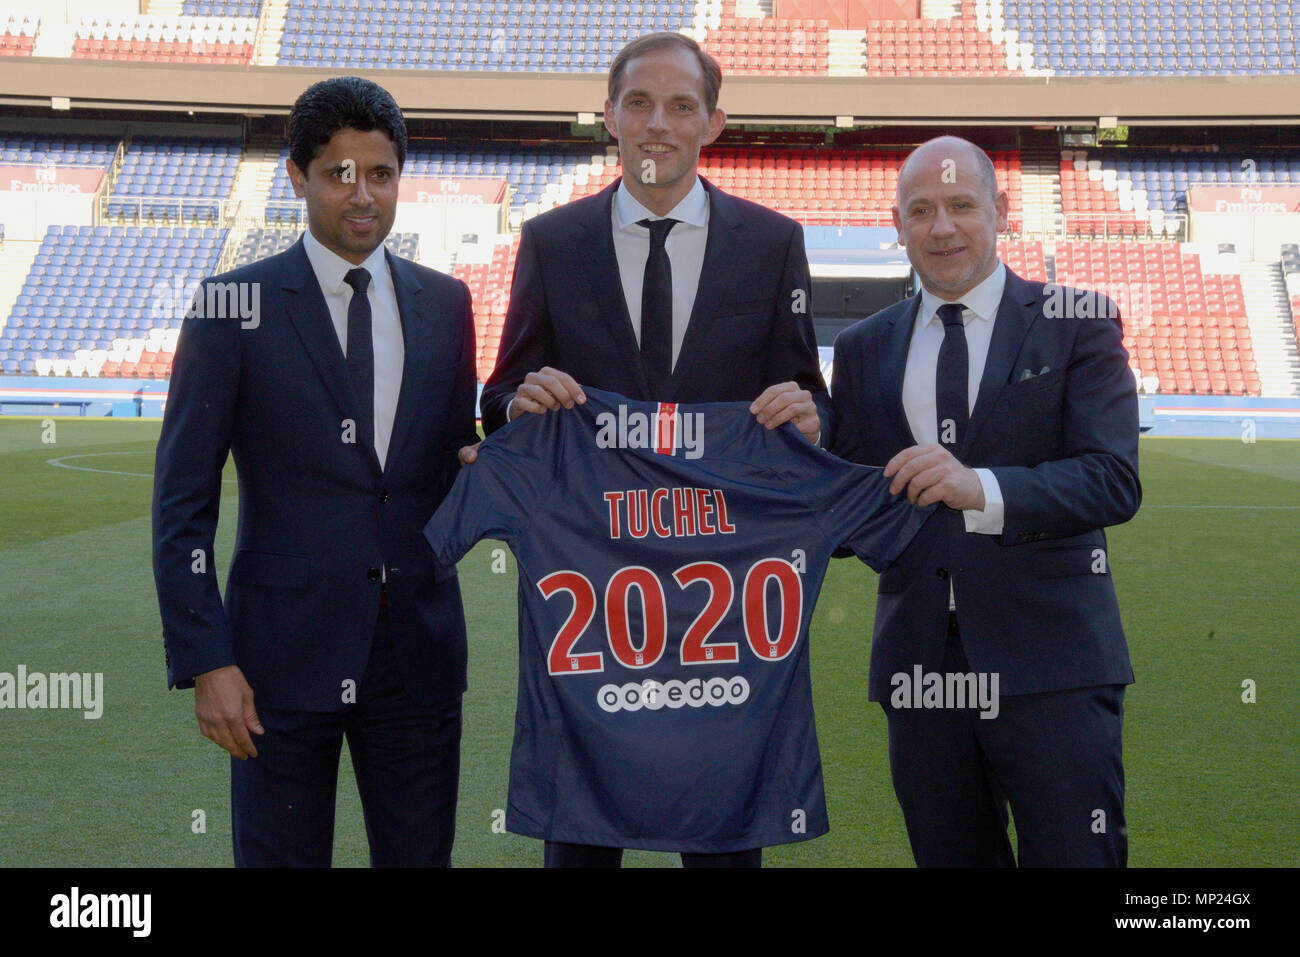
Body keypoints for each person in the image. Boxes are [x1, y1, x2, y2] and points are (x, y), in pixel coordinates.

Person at [475, 31, 829, 868]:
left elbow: (811, 402)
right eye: (638, 103)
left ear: (714, 121)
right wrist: (515, 405)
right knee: (583, 843)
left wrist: (812, 418)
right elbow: (501, 399)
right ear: (610, 117)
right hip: (592, 601)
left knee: (723, 845)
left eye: (680, 105)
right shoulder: (552, 241)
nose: (657, 124)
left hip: (727, 609)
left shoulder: (773, 242)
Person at [152, 76, 478, 867]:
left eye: (380, 174)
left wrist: (505, 457)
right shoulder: (232, 308)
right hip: (276, 665)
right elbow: (181, 503)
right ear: (297, 177)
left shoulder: (448, 302)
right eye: (337, 174)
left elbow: (447, 460)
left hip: (417, 657)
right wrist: (206, 659)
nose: (361, 194)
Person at [828, 136, 1140, 867]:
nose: (942, 228)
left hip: (1053, 664)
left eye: (962, 205)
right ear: (897, 223)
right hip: (919, 669)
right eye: (922, 210)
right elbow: (846, 513)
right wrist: (796, 447)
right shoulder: (865, 345)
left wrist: (984, 488)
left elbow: (1112, 478)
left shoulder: (1077, 319)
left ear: (1001, 210)